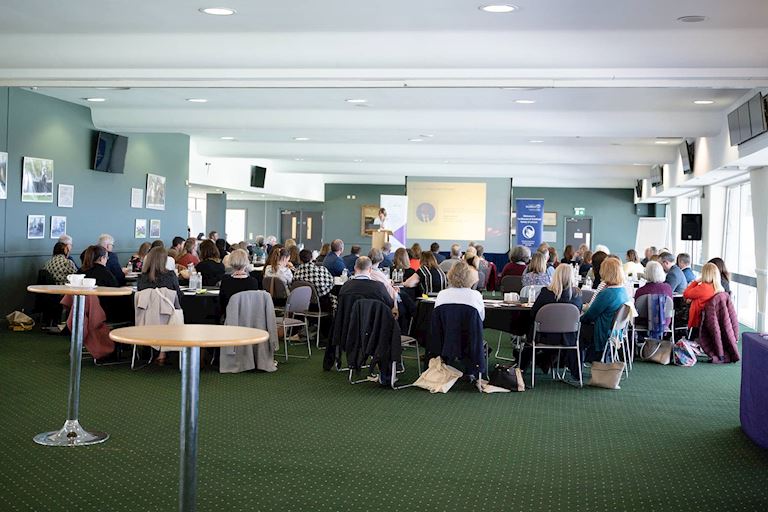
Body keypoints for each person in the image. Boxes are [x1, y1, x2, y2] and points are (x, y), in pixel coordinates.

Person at [521, 264, 584, 383]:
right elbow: (579, 314)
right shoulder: (577, 295)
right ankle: (551, 362)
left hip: (543, 336)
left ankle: (523, 366)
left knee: (529, 327)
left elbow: (533, 313)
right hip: (568, 338)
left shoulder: (545, 293)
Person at [580, 257, 629, 360]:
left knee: (575, 328)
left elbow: (590, 315)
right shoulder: (623, 291)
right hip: (615, 332)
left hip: (603, 330)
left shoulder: (607, 293)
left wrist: (578, 319)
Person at [683, 262, 724, 330]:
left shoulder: (703, 287)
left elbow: (686, 293)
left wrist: (696, 281)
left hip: (697, 320)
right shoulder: (719, 288)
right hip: (711, 321)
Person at [219, 249, 260, 313]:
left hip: (230, 314)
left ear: (231, 261)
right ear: (246, 261)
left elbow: (222, 303)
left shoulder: (225, 280)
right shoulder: (253, 282)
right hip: (247, 315)